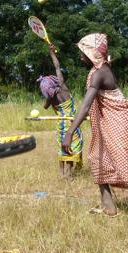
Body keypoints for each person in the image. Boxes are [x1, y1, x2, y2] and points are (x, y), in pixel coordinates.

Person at [62, 33, 128, 216]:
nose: (80, 55)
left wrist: (70, 132)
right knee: (98, 159)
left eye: (83, 51)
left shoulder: (99, 73)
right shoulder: (99, 69)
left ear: (93, 53)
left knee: (124, 165)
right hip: (107, 121)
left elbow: (85, 105)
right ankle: (109, 206)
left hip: (118, 121)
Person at [37, 44, 83, 179]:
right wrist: (52, 53)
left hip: (61, 125)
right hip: (72, 123)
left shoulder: (50, 99)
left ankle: (61, 173)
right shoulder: (63, 87)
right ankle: (68, 174)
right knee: (72, 146)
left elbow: (45, 107)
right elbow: (57, 67)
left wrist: (48, 100)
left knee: (62, 146)